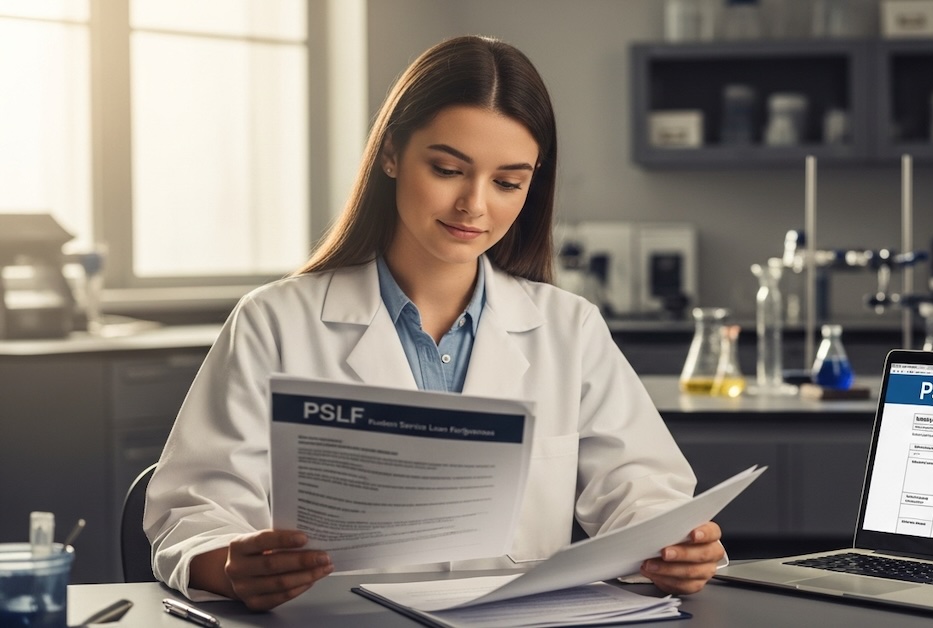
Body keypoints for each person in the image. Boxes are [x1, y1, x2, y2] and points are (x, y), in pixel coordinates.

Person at [144, 35, 724, 611]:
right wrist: (227, 564)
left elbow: (642, 492)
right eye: (448, 169)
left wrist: (675, 545)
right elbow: (196, 509)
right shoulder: (274, 321)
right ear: (392, 154)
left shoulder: (569, 328)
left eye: (507, 182)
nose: (474, 204)